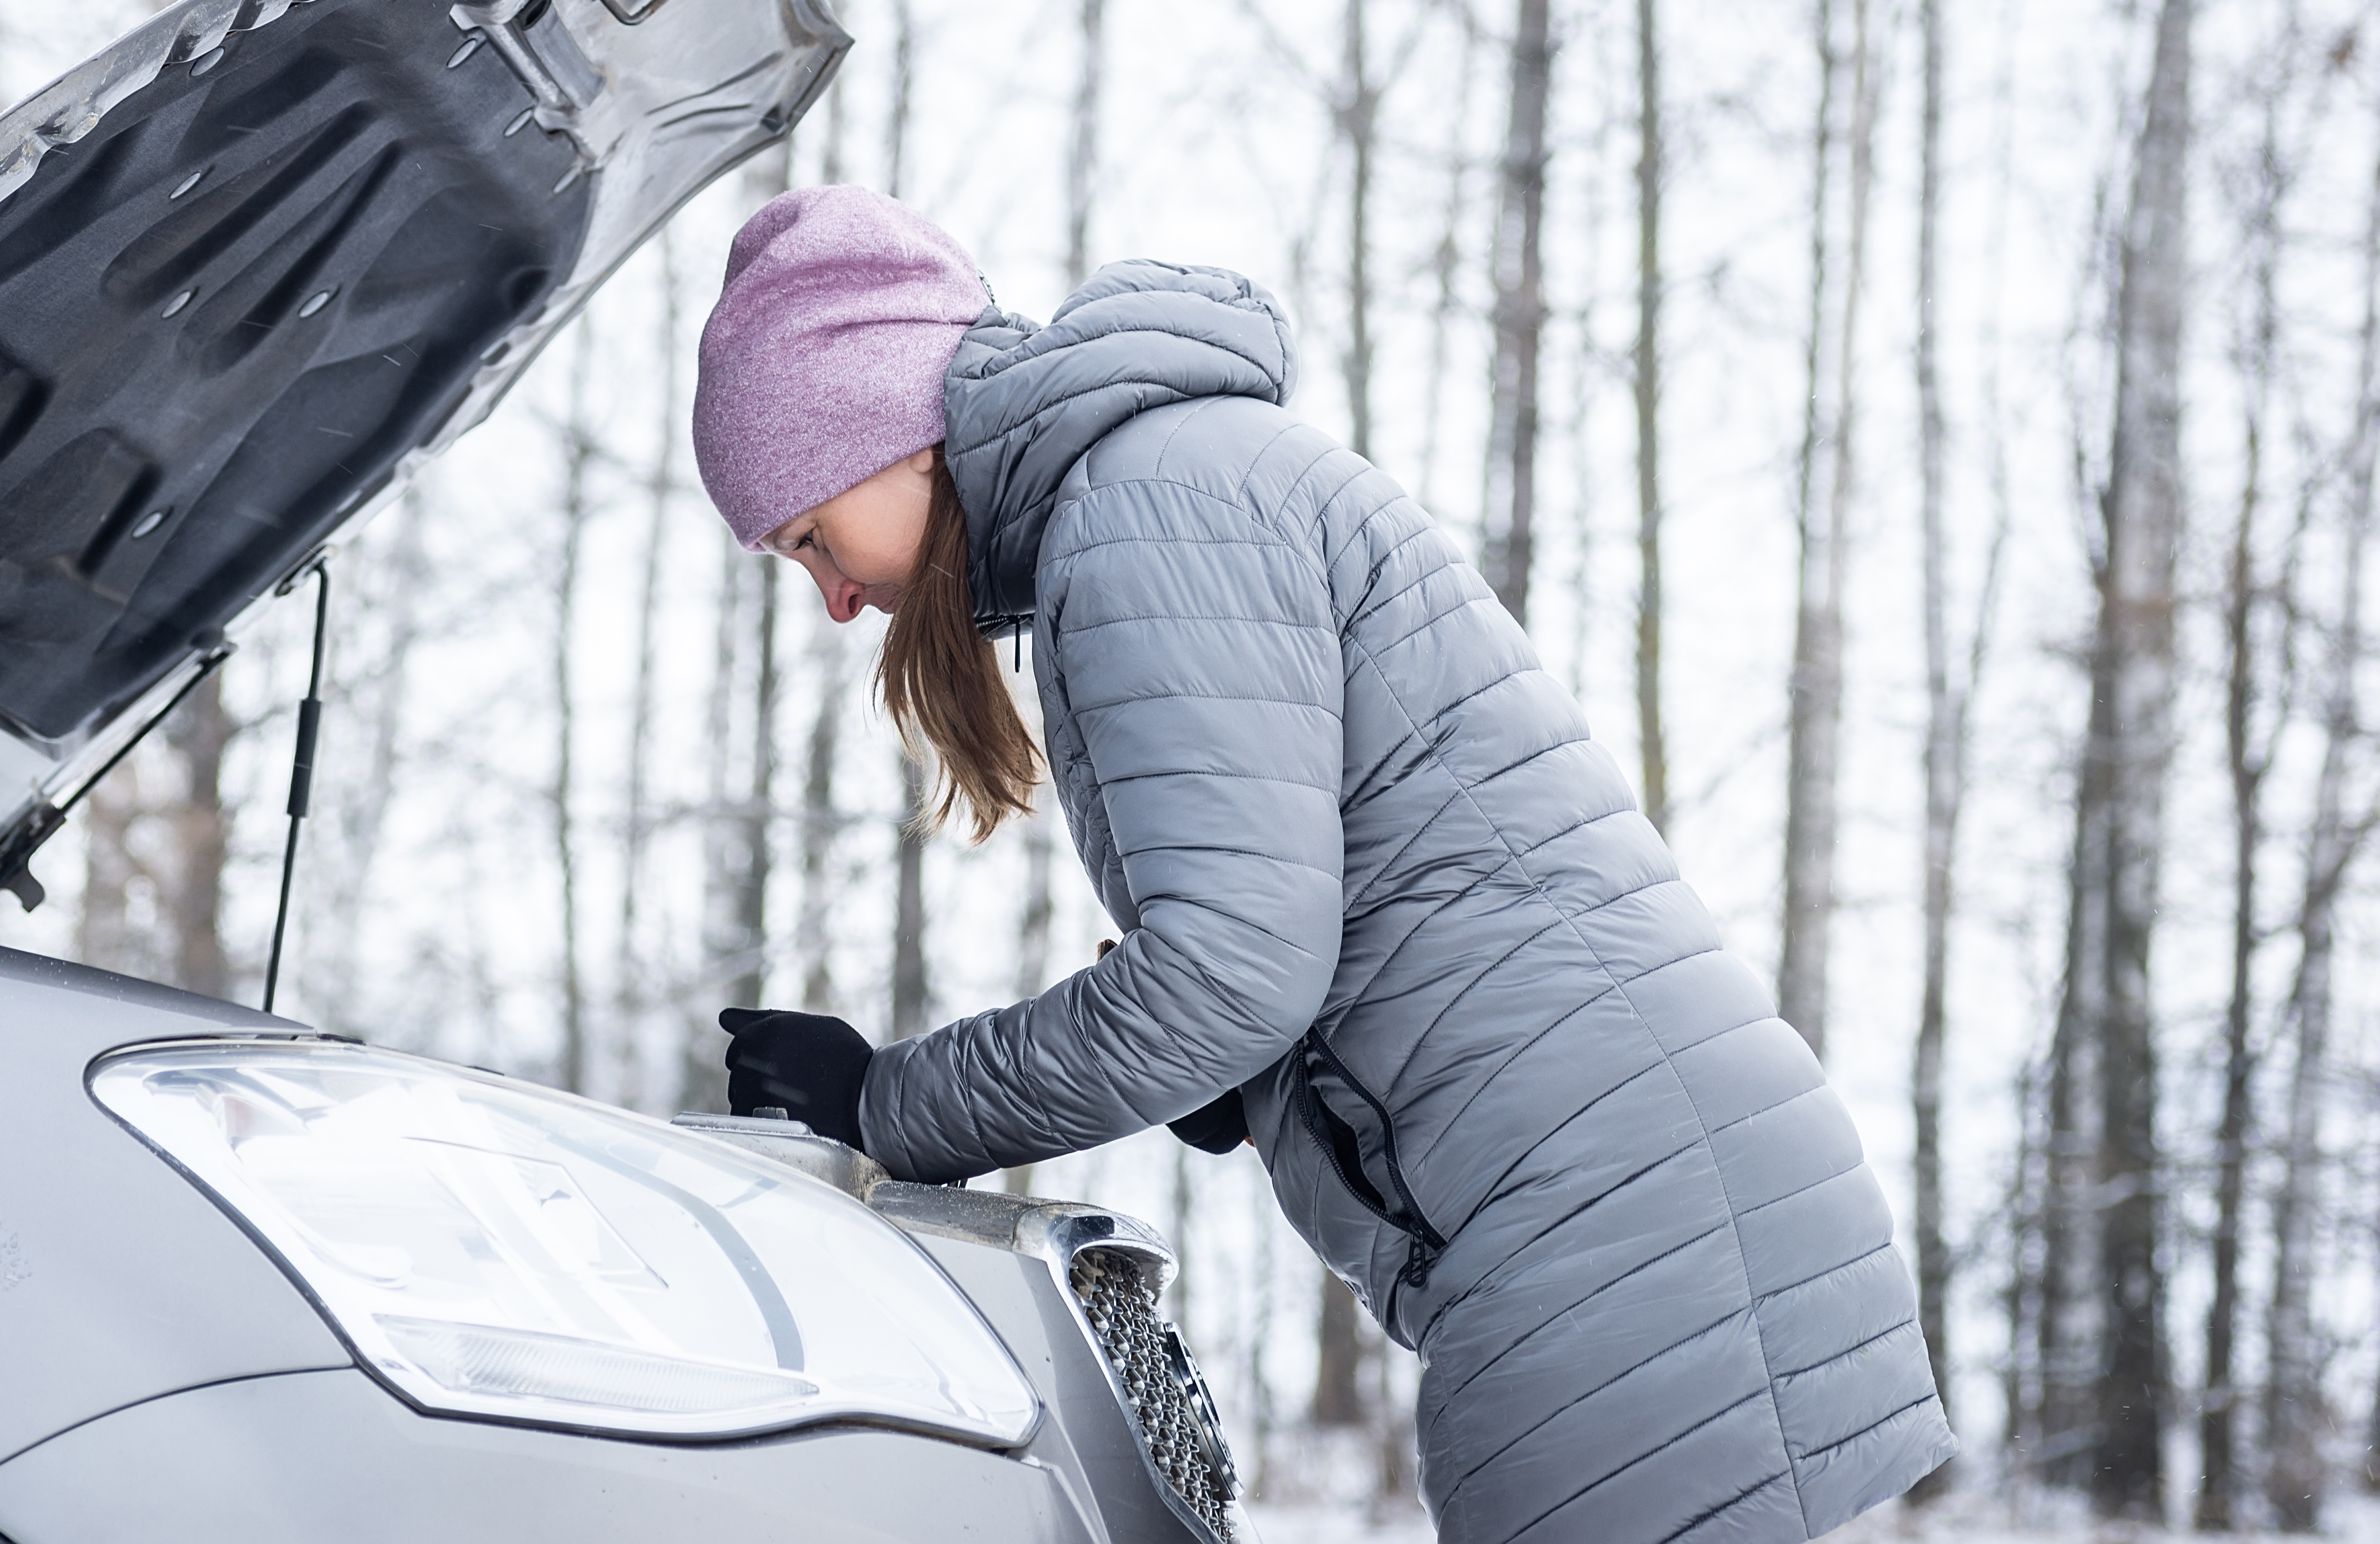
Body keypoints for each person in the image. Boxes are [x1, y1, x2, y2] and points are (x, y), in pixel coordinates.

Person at [689, 185, 1954, 1544]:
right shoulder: (1160, 496)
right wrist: (1268, 1081)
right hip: (1639, 1210)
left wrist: (885, 1106)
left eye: (812, 535)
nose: (830, 598)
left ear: (887, 428)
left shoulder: (1144, 514)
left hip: (1619, 1228)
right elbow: (1340, 914)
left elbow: (1232, 975)